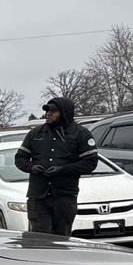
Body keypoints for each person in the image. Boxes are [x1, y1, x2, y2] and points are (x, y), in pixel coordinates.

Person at [15, 97, 98, 236]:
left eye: (53, 111)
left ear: (64, 113)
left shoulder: (81, 134)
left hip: (64, 197)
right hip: (38, 197)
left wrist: (63, 170)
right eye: (47, 110)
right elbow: (20, 159)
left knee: (61, 238)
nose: (48, 113)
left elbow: (90, 163)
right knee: (39, 238)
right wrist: (32, 167)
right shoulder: (36, 133)